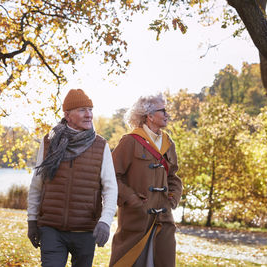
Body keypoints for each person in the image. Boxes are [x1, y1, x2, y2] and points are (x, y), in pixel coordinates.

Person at [27, 89, 118, 267]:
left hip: (85, 231)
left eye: (90, 109)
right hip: (51, 229)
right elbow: (37, 184)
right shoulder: (49, 142)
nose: (89, 115)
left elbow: (110, 188)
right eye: (82, 110)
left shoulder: (100, 145)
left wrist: (105, 221)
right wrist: (32, 220)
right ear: (67, 115)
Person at [109, 94, 182, 267]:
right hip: (136, 219)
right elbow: (112, 176)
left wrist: (173, 197)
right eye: (162, 111)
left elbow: (174, 177)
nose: (166, 114)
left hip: (163, 220)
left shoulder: (168, 143)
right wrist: (132, 198)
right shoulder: (129, 142)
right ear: (149, 116)